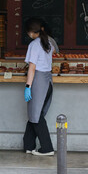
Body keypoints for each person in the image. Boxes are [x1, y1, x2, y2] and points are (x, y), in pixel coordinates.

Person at [23, 17, 56, 156]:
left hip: (38, 81)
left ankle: (47, 148)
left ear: (31, 32)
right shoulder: (49, 42)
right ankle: (29, 145)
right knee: (36, 113)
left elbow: (32, 67)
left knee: (36, 115)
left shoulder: (34, 45)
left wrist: (28, 86)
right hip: (48, 81)